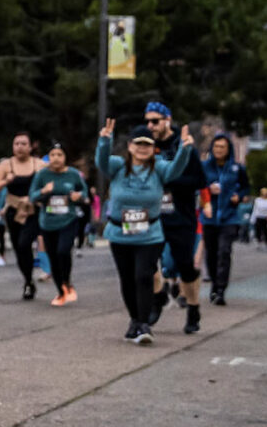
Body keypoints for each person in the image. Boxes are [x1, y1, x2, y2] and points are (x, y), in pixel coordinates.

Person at [95, 120, 193, 345]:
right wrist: (104, 141)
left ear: (153, 148)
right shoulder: (118, 166)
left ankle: (144, 324)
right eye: (138, 143)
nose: (142, 148)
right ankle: (135, 320)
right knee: (127, 279)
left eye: (147, 144)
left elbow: (176, 169)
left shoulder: (158, 167)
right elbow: (101, 162)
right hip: (120, 232)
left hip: (149, 233)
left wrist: (185, 149)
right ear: (129, 146)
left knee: (143, 275)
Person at [144, 102, 206, 334]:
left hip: (181, 216)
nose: (150, 125)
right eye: (147, 121)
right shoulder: (145, 145)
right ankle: (158, 296)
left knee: (185, 267)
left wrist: (168, 178)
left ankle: (193, 307)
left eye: (155, 121)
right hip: (154, 216)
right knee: (147, 261)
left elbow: (199, 181)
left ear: (167, 120)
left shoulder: (183, 143)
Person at [0, 132, 46, 300]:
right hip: (14, 210)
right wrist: (6, 181)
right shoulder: (6, 165)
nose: (20, 147)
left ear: (30, 146)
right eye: (16, 144)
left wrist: (39, 194)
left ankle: (32, 277)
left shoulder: (39, 165)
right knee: (19, 249)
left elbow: (50, 184)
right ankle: (28, 281)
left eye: (23, 144)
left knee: (24, 243)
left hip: (33, 210)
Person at [29, 142, 87, 306]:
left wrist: (78, 196)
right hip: (47, 222)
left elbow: (84, 192)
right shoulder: (42, 175)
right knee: (53, 256)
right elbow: (32, 196)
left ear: (65, 157)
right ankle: (61, 291)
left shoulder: (73, 174)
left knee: (63, 251)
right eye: (53, 155)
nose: (56, 158)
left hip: (68, 219)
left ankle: (67, 281)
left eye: (59, 155)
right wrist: (43, 191)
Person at [200, 133, 250, 305]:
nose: (219, 150)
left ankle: (221, 289)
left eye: (222, 147)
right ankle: (214, 283)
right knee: (211, 254)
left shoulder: (237, 168)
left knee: (224, 252)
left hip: (229, 217)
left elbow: (245, 188)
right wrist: (206, 190)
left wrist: (239, 196)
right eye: (216, 147)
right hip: (209, 217)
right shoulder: (205, 167)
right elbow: (197, 186)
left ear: (228, 149)